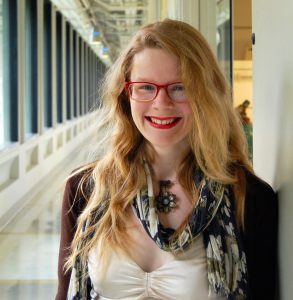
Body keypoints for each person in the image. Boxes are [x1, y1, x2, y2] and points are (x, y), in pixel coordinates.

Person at [56, 19, 278, 300]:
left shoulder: (249, 197)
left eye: (179, 87)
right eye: (146, 87)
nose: (161, 103)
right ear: (127, 94)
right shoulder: (85, 189)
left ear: (204, 93)